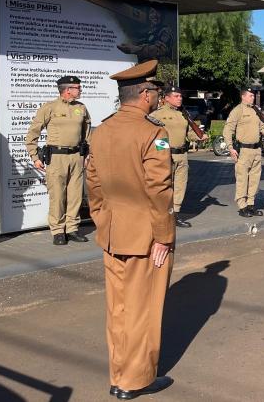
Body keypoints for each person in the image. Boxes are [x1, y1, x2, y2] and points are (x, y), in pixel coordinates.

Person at [85, 59, 175, 400]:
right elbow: (159, 189)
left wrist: (103, 221)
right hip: (146, 237)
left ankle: (119, 374)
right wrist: (164, 236)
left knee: (118, 309)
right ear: (145, 94)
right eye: (156, 92)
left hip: (112, 234)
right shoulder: (154, 133)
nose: (158, 97)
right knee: (143, 310)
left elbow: (92, 183)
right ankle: (134, 381)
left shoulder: (102, 130)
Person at [25, 75, 91, 245]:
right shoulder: (50, 107)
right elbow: (33, 132)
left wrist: (87, 154)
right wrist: (34, 156)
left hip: (76, 156)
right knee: (57, 195)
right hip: (57, 158)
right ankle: (58, 230)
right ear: (67, 90)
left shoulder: (81, 108)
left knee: (75, 195)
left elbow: (87, 132)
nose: (80, 89)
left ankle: (72, 228)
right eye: (77, 87)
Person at [150, 85, 201, 227]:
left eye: (180, 96)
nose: (180, 98)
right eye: (176, 96)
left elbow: (189, 133)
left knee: (180, 186)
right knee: (165, 186)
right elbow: (153, 133)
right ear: (166, 98)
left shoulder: (183, 114)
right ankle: (161, 215)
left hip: (182, 155)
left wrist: (199, 137)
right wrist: (163, 151)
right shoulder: (157, 114)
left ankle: (175, 214)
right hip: (166, 155)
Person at [223, 88, 264, 217]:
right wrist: (230, 147)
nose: (253, 98)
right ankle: (242, 206)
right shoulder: (237, 110)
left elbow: (262, 128)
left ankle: (251, 205)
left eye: (253, 96)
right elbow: (228, 129)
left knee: (254, 179)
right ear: (243, 96)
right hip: (244, 150)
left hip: (256, 150)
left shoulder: (256, 110)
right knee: (242, 179)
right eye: (251, 95)